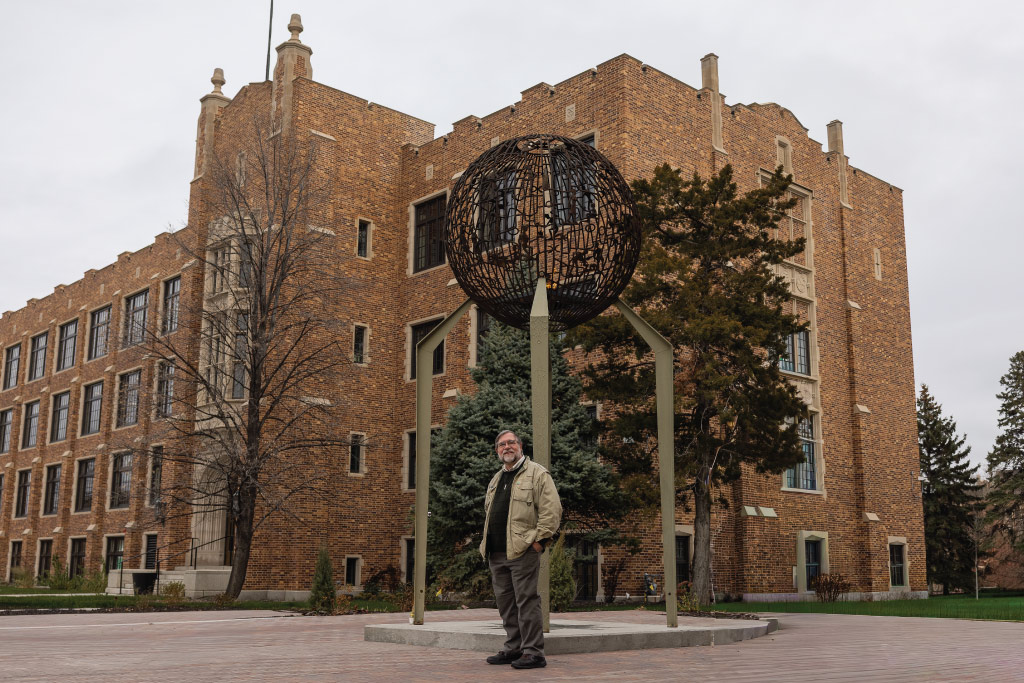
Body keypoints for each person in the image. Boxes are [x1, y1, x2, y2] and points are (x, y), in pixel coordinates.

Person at [479, 429, 562, 669]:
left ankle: (534, 652)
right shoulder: (496, 479)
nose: (507, 447)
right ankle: (513, 648)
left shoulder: (537, 474)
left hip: (522, 551)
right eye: (502, 444)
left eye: (511, 443)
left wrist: (539, 543)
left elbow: (552, 511)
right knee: (506, 603)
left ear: (520, 446)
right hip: (496, 552)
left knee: (526, 601)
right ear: (497, 450)